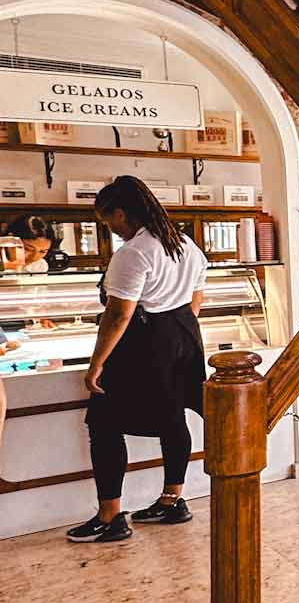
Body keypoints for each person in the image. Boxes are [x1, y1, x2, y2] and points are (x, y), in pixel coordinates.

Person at [67, 176, 208, 545]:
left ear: (121, 212)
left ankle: (111, 516)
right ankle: (172, 500)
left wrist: (96, 364)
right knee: (173, 417)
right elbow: (196, 300)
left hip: (145, 343)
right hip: (184, 335)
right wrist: (174, 332)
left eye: (107, 220)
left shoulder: (134, 252)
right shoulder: (185, 244)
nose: (109, 228)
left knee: (104, 423)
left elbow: (118, 316)